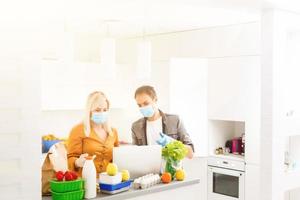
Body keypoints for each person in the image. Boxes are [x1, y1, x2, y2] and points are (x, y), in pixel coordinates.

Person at [131, 85, 194, 158]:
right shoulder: (136, 127)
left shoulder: (175, 120)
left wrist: (172, 143)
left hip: (171, 169)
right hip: (147, 169)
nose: (143, 108)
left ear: (155, 100)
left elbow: (190, 154)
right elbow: (135, 156)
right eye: (139, 105)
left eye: (146, 103)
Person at [67, 91, 119, 176]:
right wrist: (77, 162)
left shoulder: (113, 132)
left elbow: (118, 158)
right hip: (86, 181)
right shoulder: (77, 130)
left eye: (105, 110)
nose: (102, 113)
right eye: (97, 110)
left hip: (109, 181)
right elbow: (69, 159)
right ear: (89, 111)